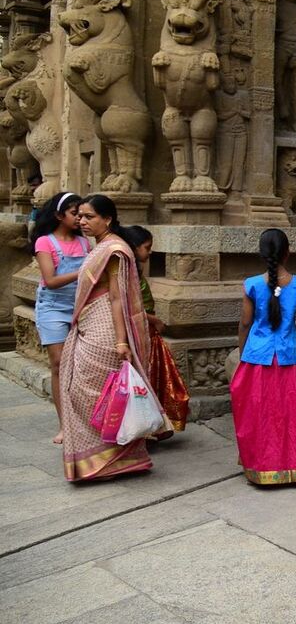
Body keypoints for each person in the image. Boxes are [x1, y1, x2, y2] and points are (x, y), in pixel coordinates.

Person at [62, 194, 161, 481]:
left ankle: (116, 459)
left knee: (104, 395)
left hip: (105, 332)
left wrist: (121, 342)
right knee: (84, 393)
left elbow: (118, 298)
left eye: (89, 216)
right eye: (79, 216)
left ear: (107, 219)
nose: (82, 221)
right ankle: (100, 458)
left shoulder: (115, 249)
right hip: (90, 326)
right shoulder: (101, 248)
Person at [230, 229, 296, 485]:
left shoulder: (252, 285)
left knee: (260, 413)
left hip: (258, 358)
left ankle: (263, 465)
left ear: (262, 254)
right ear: (288, 252)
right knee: (295, 414)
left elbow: (245, 324)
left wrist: (242, 353)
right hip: (291, 357)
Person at [120, 225, 190, 433]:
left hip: (147, 331)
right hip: (140, 330)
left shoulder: (134, 269)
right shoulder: (126, 271)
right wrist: (153, 319)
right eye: (147, 247)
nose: (149, 253)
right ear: (134, 247)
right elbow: (126, 305)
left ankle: (154, 426)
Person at [31, 192, 88, 444]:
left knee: (80, 366)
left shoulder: (85, 243)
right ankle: (65, 424)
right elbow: (51, 280)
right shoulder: (45, 242)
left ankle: (82, 421)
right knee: (58, 365)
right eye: (75, 213)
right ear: (58, 215)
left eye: (83, 214)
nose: (79, 218)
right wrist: (84, 270)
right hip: (53, 308)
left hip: (80, 307)